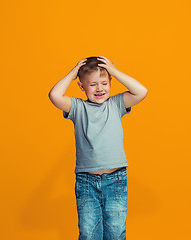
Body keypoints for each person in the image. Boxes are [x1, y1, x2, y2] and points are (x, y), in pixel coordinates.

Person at [48, 56, 148, 239]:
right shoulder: (77, 107)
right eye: (93, 84)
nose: (100, 88)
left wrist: (115, 72)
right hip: (87, 181)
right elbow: (54, 95)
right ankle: (89, 78)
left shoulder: (116, 104)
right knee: (89, 233)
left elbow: (141, 91)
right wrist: (72, 74)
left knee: (116, 233)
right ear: (81, 86)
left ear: (110, 82)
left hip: (116, 180)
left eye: (104, 83)